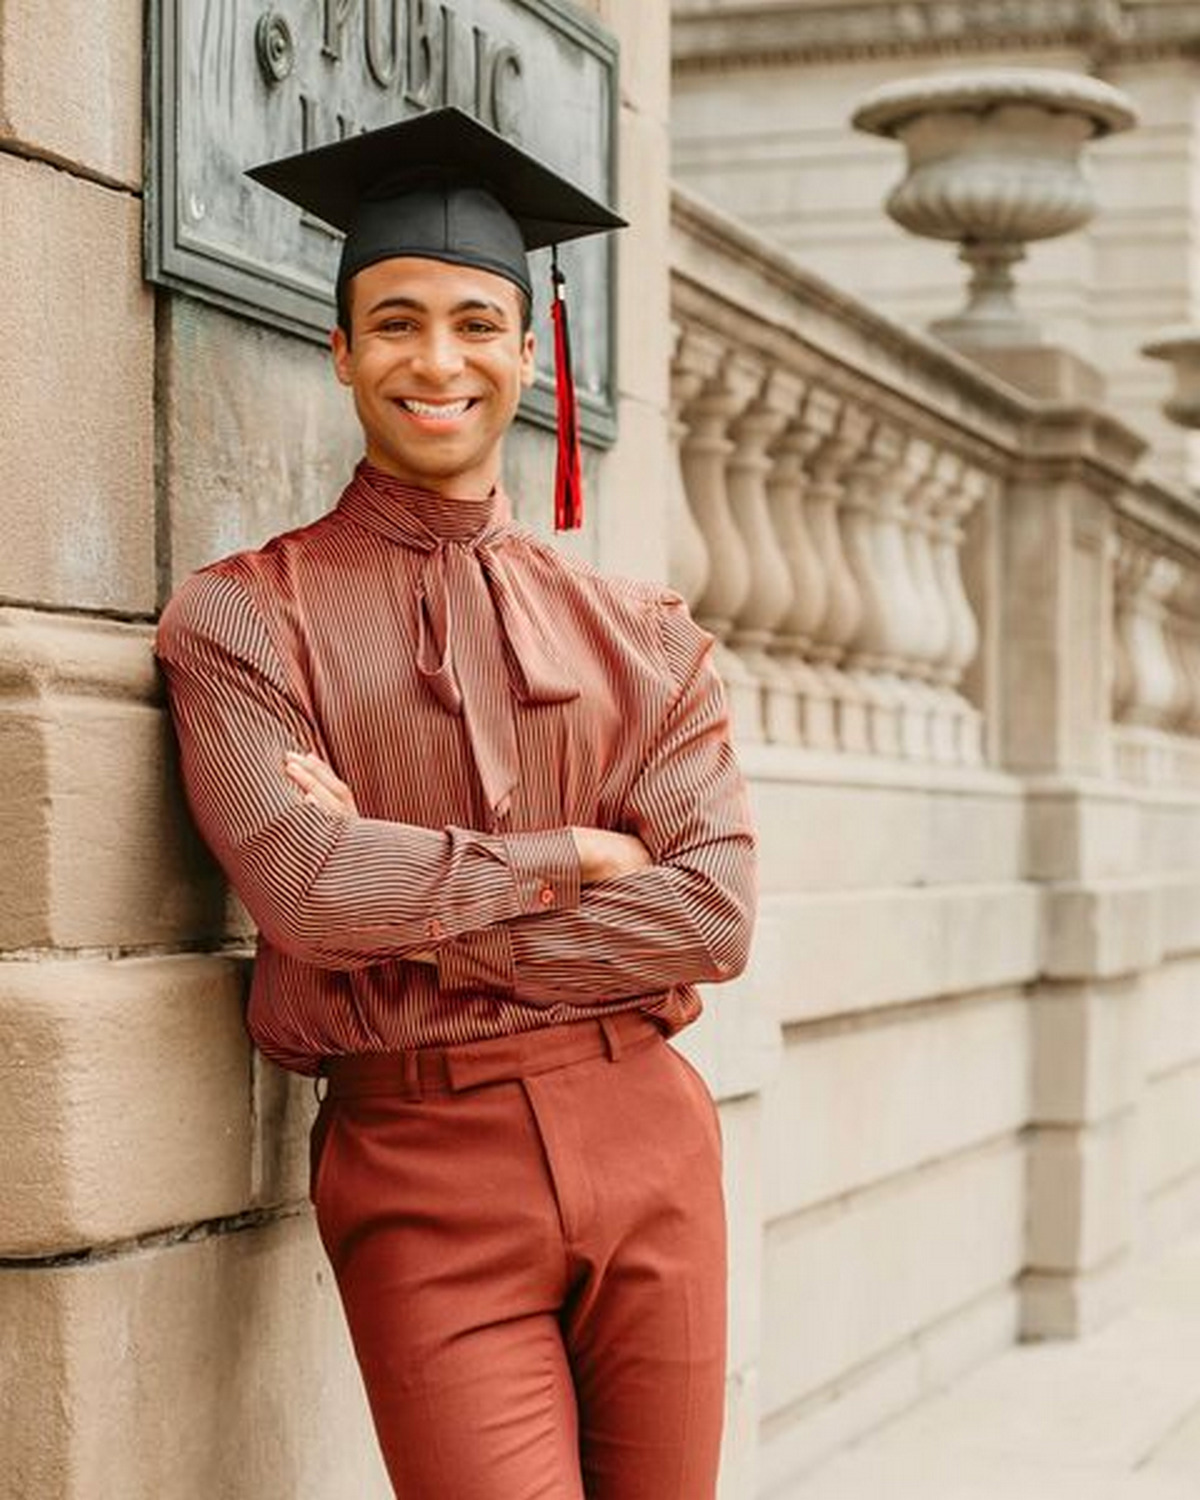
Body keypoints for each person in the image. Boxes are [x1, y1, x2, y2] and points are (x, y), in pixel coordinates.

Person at [156, 106, 757, 1500]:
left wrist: (399, 890)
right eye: (399, 323)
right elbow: (304, 894)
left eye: (478, 324)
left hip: (650, 1136)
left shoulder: (645, 636)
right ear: (343, 351)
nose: (440, 361)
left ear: (528, 352)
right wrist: (581, 857)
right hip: (422, 1164)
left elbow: (715, 912)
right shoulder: (246, 622)